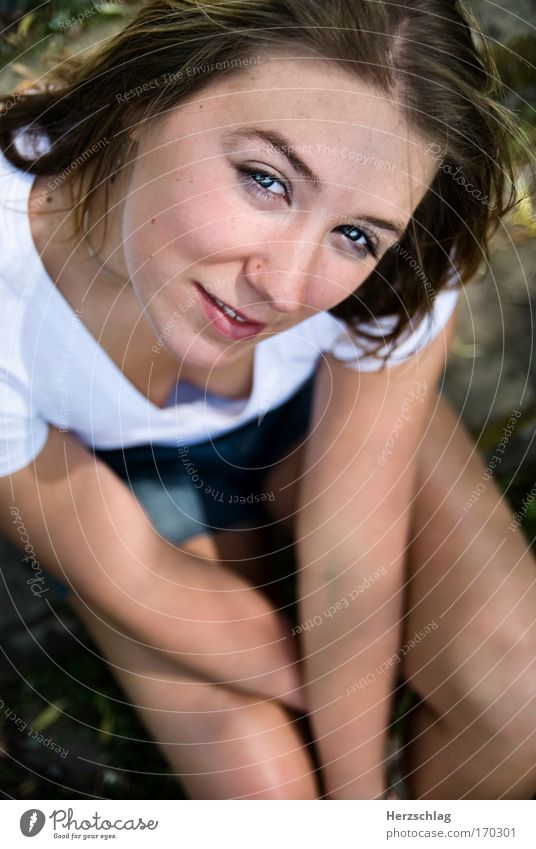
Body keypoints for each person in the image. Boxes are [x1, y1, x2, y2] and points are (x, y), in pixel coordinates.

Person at [0, 0, 534, 800]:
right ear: (145, 98)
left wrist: (359, 801)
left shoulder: (409, 249)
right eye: (265, 179)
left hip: (327, 412)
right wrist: (334, 685)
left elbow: (355, 542)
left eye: (356, 234)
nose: (283, 288)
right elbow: (137, 575)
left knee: (519, 686)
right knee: (269, 803)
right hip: (115, 474)